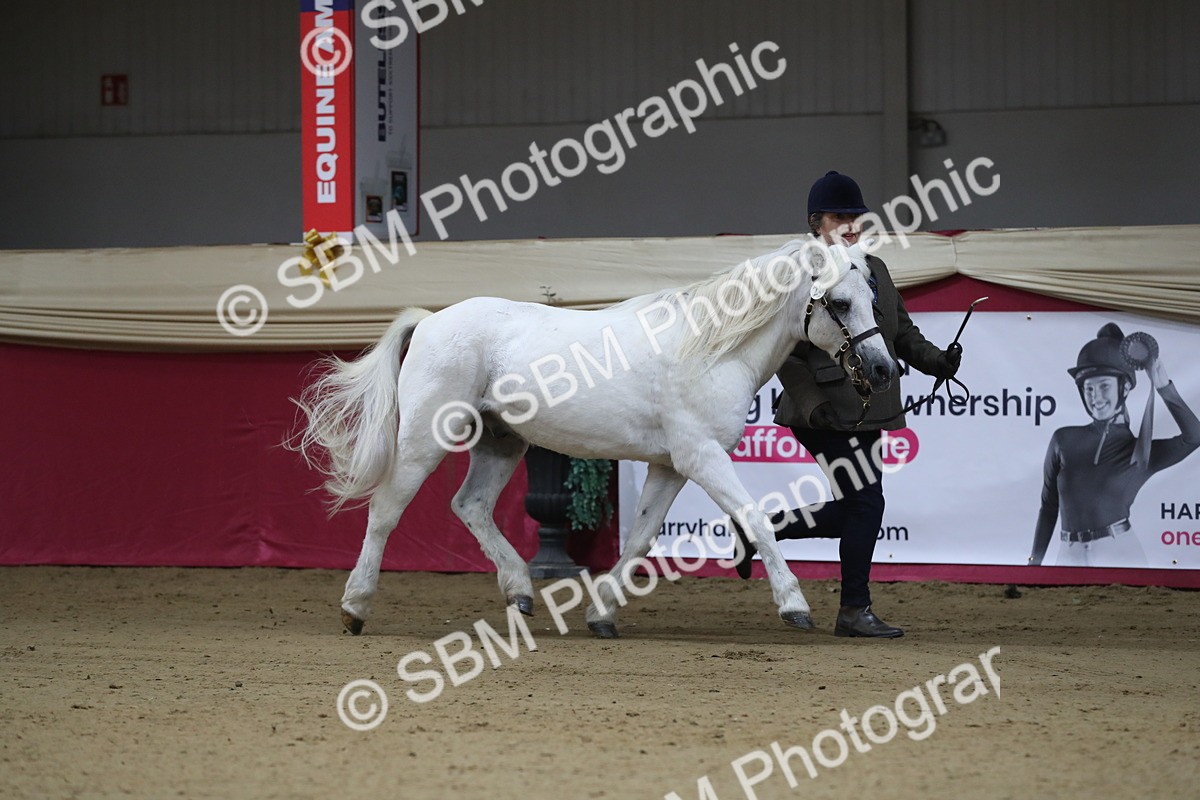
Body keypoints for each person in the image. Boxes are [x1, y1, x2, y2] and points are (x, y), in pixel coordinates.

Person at [733, 171, 962, 638]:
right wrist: (812, 404)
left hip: (866, 410)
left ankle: (762, 528)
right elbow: (785, 355)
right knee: (866, 505)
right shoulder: (800, 275)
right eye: (841, 217)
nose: (852, 226)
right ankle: (853, 609)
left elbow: (899, 333)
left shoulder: (873, 269)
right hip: (822, 413)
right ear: (817, 223)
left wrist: (938, 362)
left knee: (859, 506)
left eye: (857, 217)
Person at [1029, 324, 1200, 567]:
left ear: (1126, 387)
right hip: (1068, 555)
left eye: (1104, 386)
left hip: (1120, 552)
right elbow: (1048, 507)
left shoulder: (1140, 451)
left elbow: (1194, 437)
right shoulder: (1063, 440)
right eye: (1088, 388)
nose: (1095, 397)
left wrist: (1164, 387)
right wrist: (1033, 564)